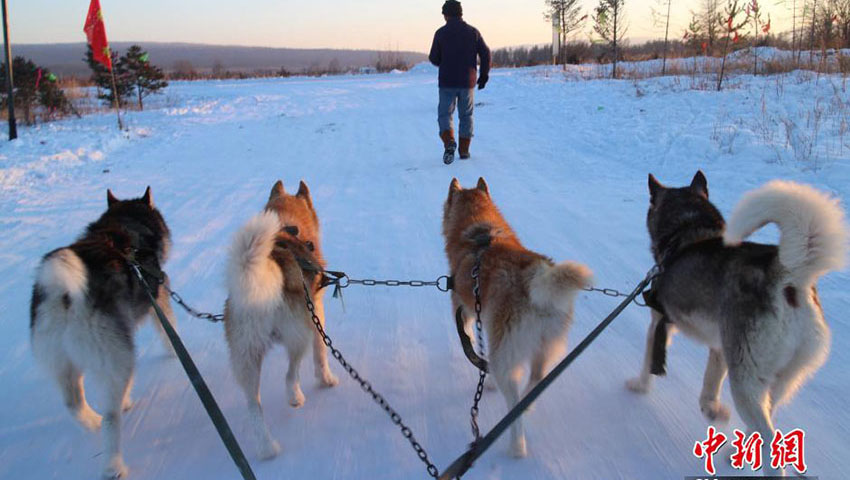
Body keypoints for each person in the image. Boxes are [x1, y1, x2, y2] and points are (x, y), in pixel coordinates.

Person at [429, 0, 491, 164]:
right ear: (461, 13)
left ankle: (449, 142)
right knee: (466, 116)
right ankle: (464, 150)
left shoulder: (441, 33)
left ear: (446, 14)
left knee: (445, 114)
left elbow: (434, 58)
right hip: (467, 82)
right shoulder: (473, 32)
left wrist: (444, 60)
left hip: (447, 82)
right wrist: (483, 75)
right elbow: (486, 53)